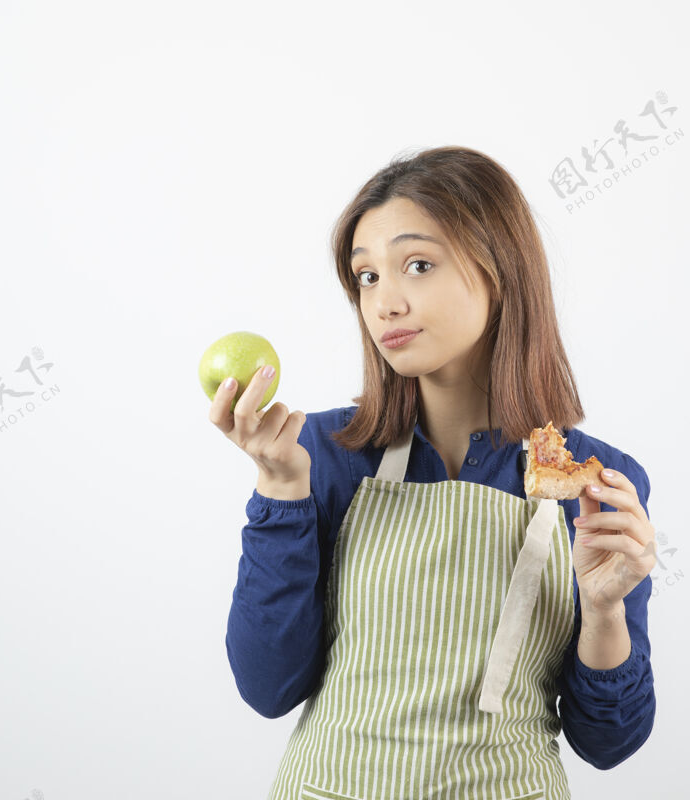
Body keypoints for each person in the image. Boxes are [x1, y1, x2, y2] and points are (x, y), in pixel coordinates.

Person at [208, 146, 658, 800]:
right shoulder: (321, 455)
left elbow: (608, 743)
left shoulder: (594, 483)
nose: (384, 302)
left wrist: (604, 607)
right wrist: (280, 491)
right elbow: (268, 688)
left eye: (417, 265)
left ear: (499, 271)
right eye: (366, 277)